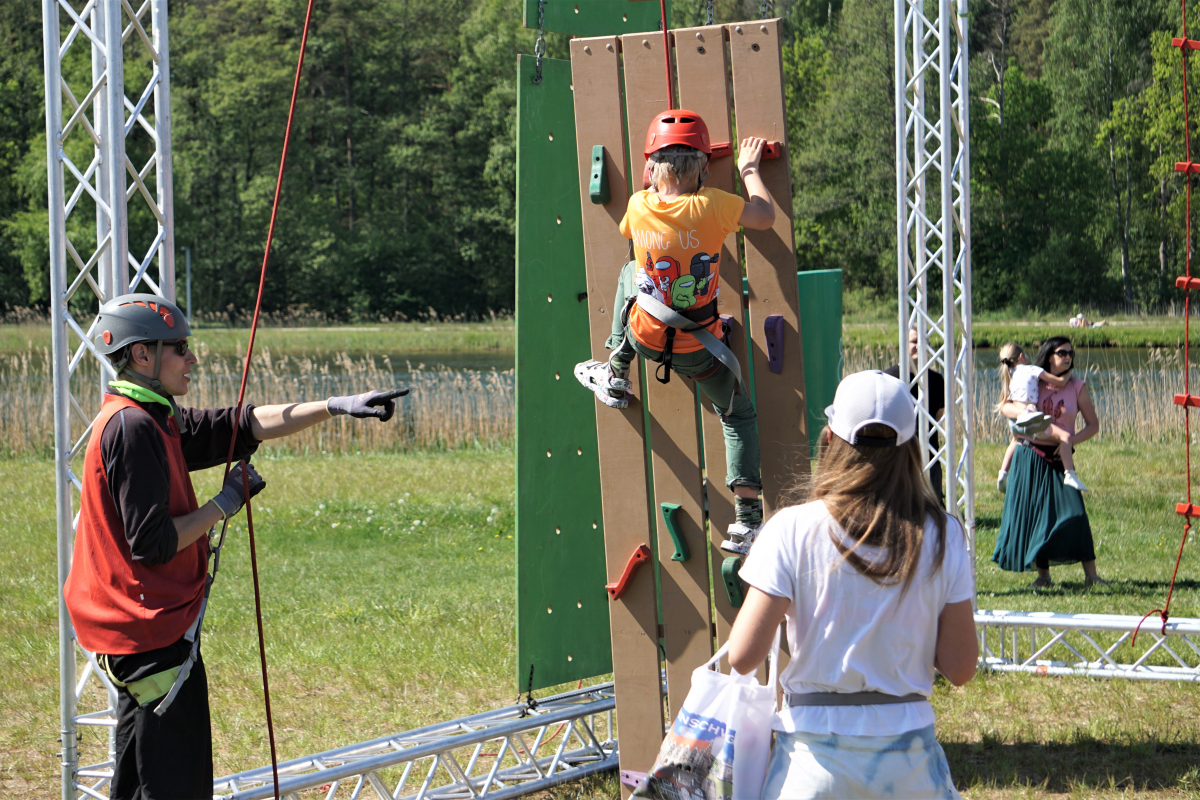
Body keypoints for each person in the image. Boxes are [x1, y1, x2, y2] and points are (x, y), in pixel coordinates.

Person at [63, 293, 408, 800]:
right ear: (142, 356)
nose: (192, 358)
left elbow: (239, 424)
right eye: (179, 348)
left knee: (140, 782)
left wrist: (335, 406)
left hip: (147, 632)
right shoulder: (134, 427)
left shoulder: (156, 417)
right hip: (148, 635)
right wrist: (224, 503)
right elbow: (153, 543)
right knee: (174, 786)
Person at [726, 370, 977, 800]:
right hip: (909, 760)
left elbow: (743, 655)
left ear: (828, 441)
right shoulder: (945, 534)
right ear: (912, 449)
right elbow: (960, 666)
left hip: (811, 761)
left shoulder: (790, 529)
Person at [573, 109, 776, 555]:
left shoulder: (637, 206)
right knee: (738, 417)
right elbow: (765, 216)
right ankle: (746, 524)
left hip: (645, 335)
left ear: (649, 168)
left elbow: (639, 219)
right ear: (704, 168)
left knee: (633, 274)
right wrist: (747, 170)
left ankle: (616, 368)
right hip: (699, 348)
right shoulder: (714, 205)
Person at [992, 336, 1107, 589]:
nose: (1068, 357)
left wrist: (1068, 441)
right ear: (1049, 355)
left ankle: (1092, 576)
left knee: (1076, 514)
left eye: (1070, 353)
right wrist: (1024, 414)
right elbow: (1005, 407)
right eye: (1062, 353)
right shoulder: (1035, 380)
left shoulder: (1077, 386)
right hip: (1031, 456)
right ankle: (1043, 576)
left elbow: (1094, 425)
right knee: (1037, 518)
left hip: (1061, 459)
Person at [994, 342, 1087, 492]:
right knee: (1064, 436)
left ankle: (1003, 473)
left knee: (1015, 440)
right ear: (1021, 356)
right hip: (1030, 416)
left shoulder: (1009, 373)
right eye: (1062, 354)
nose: (1068, 357)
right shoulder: (1032, 369)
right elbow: (1060, 382)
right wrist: (1069, 372)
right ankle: (1070, 474)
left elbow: (1005, 401)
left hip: (1015, 418)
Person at [884, 327, 946, 506]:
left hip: (930, 453)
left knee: (933, 508)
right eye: (914, 342)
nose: (919, 346)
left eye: (924, 342)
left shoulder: (937, 380)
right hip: (897, 455)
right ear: (903, 345)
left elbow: (940, 417)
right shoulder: (889, 378)